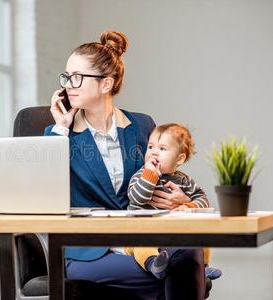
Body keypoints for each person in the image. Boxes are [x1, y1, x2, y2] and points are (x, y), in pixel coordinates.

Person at [44, 30, 206, 300]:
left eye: (77, 77)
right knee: (183, 269)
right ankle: (195, 274)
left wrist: (182, 199)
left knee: (189, 252)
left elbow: (165, 174)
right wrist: (61, 129)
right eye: (66, 76)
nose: (67, 85)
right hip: (90, 253)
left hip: (142, 240)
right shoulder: (59, 134)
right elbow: (45, 195)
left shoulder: (142, 125)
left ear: (106, 84)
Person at [124, 123, 222, 280]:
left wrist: (188, 205)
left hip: (170, 234)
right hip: (140, 231)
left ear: (180, 158)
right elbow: (138, 197)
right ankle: (154, 265)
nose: (154, 153)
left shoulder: (184, 180)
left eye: (162, 149)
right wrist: (150, 174)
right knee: (141, 245)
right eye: (150, 147)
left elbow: (203, 201)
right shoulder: (141, 175)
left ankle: (201, 268)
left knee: (201, 233)